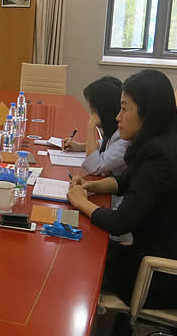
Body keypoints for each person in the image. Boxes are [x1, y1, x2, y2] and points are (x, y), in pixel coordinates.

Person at [67, 70, 177, 313]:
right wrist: (90, 186)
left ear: (147, 112)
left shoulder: (159, 158)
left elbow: (120, 223)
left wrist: (80, 202)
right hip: (152, 255)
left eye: (124, 109)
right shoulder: (160, 142)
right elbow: (125, 181)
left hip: (158, 276)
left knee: (75, 263)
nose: (117, 117)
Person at [63, 77, 130, 245]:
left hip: (117, 214)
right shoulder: (116, 134)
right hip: (109, 198)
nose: (91, 115)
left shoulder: (126, 140)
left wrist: (90, 125)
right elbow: (105, 144)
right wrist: (80, 146)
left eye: (93, 111)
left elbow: (94, 166)